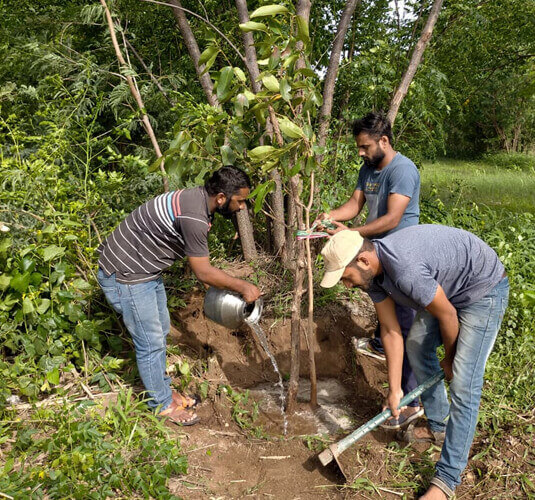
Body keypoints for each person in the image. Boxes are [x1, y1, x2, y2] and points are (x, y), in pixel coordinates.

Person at [320, 226, 509, 499]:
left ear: (363, 260)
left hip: (482, 289)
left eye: (346, 277)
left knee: (464, 384)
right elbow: (390, 330)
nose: (347, 285)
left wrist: (450, 359)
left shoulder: (404, 269)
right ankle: (439, 425)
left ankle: (446, 481)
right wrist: (395, 389)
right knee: (416, 346)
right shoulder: (374, 276)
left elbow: (448, 316)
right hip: (445, 289)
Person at [97, 166, 261, 426]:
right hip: (126, 275)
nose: (242, 207)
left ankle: (162, 391)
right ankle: (161, 405)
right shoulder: (194, 216)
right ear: (221, 198)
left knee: (160, 331)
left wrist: (221, 286)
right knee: (150, 342)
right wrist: (243, 287)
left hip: (144, 271)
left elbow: (203, 271)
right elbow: (203, 272)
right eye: (240, 201)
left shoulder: (198, 201)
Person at [315, 111, 421, 429]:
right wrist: (329, 216)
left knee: (405, 327)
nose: (360, 153)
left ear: (383, 141)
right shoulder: (368, 168)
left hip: (400, 255)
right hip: (375, 253)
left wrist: (351, 234)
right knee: (387, 317)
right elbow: (354, 205)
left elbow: (392, 219)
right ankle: (381, 347)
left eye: (365, 146)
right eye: (359, 147)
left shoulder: (403, 170)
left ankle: (411, 401)